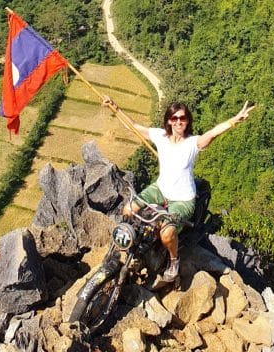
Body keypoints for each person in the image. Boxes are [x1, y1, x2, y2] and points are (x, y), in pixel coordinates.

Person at [103, 96, 255, 283]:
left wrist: (234, 120)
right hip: (160, 189)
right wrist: (114, 107)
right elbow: (133, 126)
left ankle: (173, 261)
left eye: (182, 118)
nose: (178, 122)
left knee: (166, 233)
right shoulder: (161, 136)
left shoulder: (192, 143)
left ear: (188, 120)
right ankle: (126, 245)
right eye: (174, 118)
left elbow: (213, 133)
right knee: (128, 210)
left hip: (183, 199)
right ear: (168, 121)